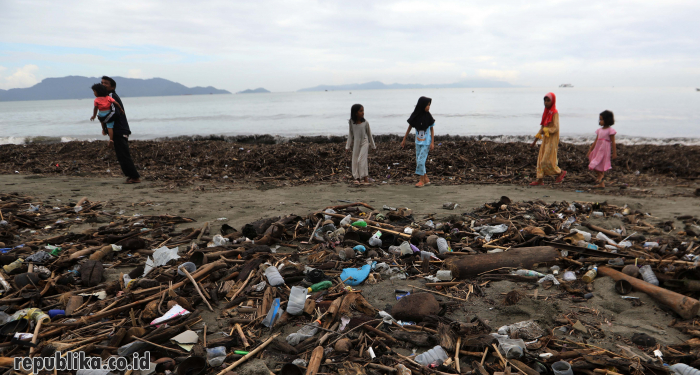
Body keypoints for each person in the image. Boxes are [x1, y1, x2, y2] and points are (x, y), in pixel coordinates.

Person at [100, 76, 141, 184]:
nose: (103, 84)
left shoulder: (111, 95)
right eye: (102, 82)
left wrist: (103, 120)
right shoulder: (106, 97)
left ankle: (135, 177)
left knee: (123, 154)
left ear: (112, 86)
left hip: (120, 129)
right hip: (117, 130)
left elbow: (115, 113)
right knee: (120, 154)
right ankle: (130, 176)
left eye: (106, 83)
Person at [530, 92, 567, 186]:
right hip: (545, 140)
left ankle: (560, 172)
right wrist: (534, 141)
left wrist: (546, 130)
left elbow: (555, 128)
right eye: (545, 101)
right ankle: (540, 180)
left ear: (553, 101)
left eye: (548, 100)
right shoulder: (546, 113)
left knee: (547, 160)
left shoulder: (554, 113)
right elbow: (542, 128)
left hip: (552, 140)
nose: (546, 103)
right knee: (540, 159)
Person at [401, 96, 435, 188]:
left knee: (421, 161)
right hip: (418, 142)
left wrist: (432, 142)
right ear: (422, 105)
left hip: (426, 143)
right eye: (427, 105)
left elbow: (432, 130)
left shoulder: (428, 116)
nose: (429, 107)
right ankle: (426, 178)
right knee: (419, 161)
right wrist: (404, 139)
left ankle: (421, 181)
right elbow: (409, 128)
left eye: (429, 105)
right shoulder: (415, 116)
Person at [345, 104, 376, 184]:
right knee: (355, 160)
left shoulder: (365, 123)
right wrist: (347, 146)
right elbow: (350, 134)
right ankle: (358, 178)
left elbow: (369, 134)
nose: (363, 113)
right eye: (361, 111)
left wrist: (373, 146)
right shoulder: (351, 122)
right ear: (355, 113)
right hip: (356, 143)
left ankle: (364, 178)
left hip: (364, 143)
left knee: (361, 160)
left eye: (363, 111)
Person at [587, 110, 617, 188]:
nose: (600, 121)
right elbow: (596, 140)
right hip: (597, 149)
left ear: (607, 120)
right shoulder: (599, 130)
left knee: (597, 164)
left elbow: (613, 142)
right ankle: (601, 182)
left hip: (604, 150)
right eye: (599, 119)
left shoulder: (610, 130)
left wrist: (614, 153)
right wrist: (590, 149)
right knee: (593, 161)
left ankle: (600, 178)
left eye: (602, 119)